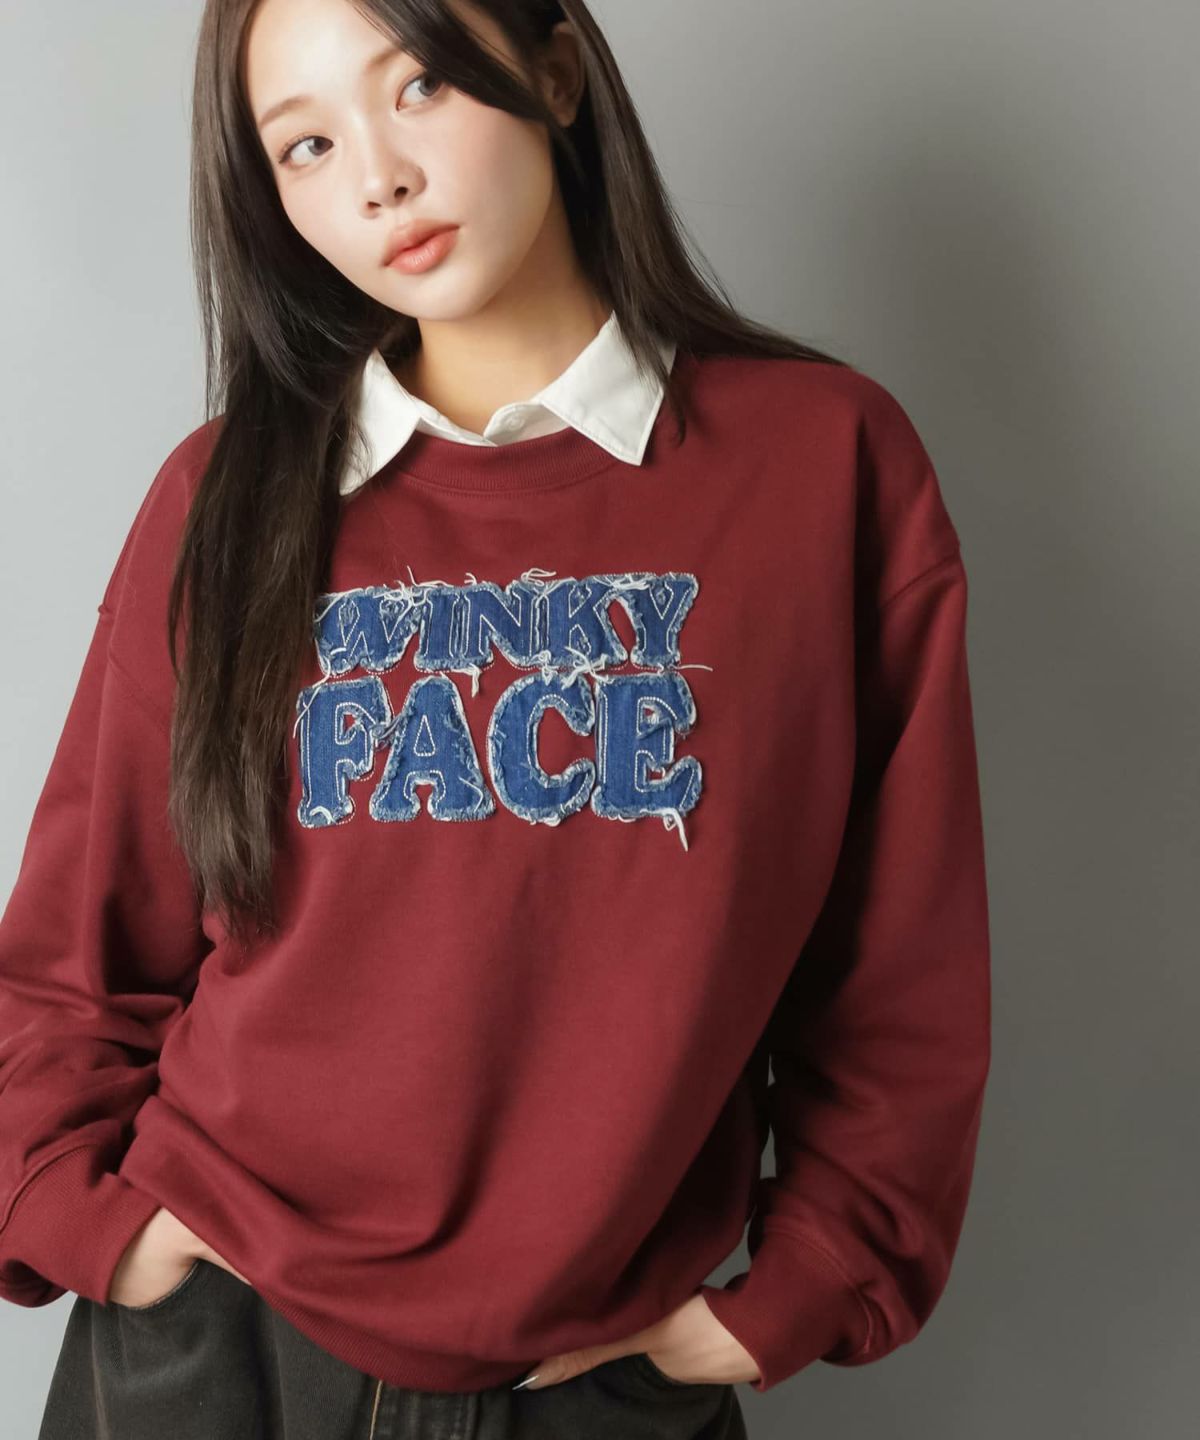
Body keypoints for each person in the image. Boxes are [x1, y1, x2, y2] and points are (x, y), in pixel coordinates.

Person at [0, 0, 992, 1436]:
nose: (379, 178)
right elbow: (79, 945)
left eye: (419, 87)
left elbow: (899, 968)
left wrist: (802, 1287)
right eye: (306, 144)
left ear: (557, 69)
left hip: (600, 1378)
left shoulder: (824, 466)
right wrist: (79, 1209)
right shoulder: (223, 498)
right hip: (214, 1350)